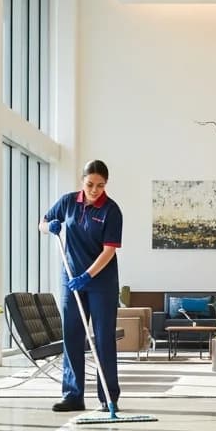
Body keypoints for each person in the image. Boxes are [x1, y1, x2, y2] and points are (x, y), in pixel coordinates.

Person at [41, 160, 124, 412]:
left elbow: (109, 251)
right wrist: (50, 227)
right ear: (82, 181)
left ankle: (108, 397)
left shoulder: (111, 210)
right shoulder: (68, 202)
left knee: (103, 339)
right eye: (90, 184)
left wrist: (88, 275)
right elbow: (43, 222)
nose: (95, 190)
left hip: (102, 283)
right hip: (71, 281)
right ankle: (73, 395)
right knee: (73, 337)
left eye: (100, 185)